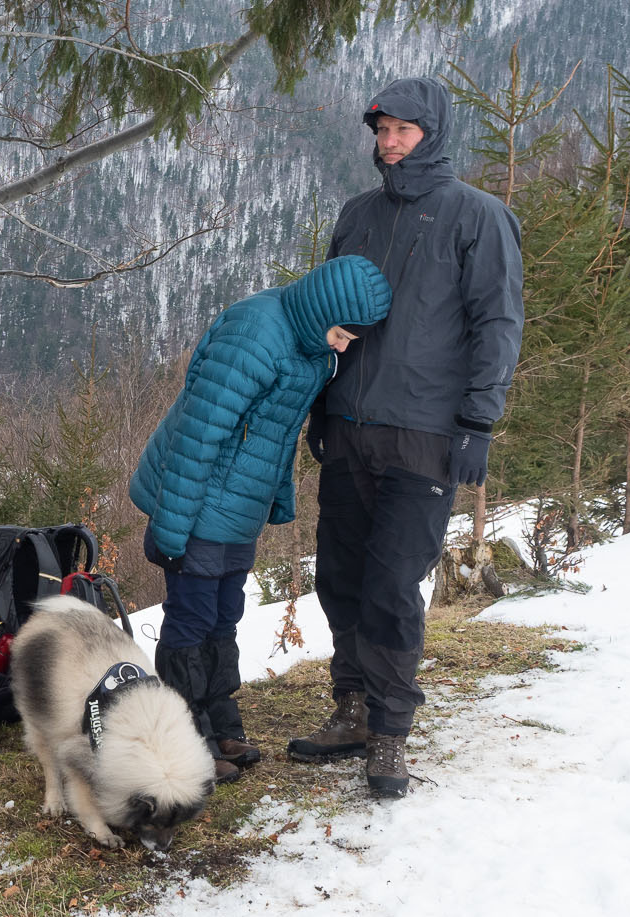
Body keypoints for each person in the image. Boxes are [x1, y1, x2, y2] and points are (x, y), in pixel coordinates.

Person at [285, 76, 524, 798]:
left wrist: (479, 419)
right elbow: (326, 316)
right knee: (342, 579)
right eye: (381, 130)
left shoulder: (478, 217)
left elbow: (497, 324)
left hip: (425, 434)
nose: (388, 144)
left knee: (392, 585)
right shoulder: (357, 216)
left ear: (433, 134)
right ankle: (352, 706)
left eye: (403, 131)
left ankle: (389, 733)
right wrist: (321, 407)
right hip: (351, 429)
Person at [131, 255, 391, 784]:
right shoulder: (255, 333)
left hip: (236, 507)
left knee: (226, 614)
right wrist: (173, 524)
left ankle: (222, 721)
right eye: (342, 334)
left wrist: (277, 498)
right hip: (196, 499)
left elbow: (275, 435)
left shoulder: (312, 350)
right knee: (192, 619)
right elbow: (198, 434)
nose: (343, 347)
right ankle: (184, 737)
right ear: (324, 311)